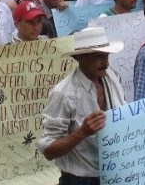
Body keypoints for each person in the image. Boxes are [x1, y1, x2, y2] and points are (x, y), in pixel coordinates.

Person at [37, 27, 125, 184]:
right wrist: (82, 132)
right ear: (81, 58)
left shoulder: (112, 77)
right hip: (80, 180)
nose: (105, 62)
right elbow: (48, 150)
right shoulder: (64, 94)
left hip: (114, 174)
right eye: (99, 57)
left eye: (107, 55)